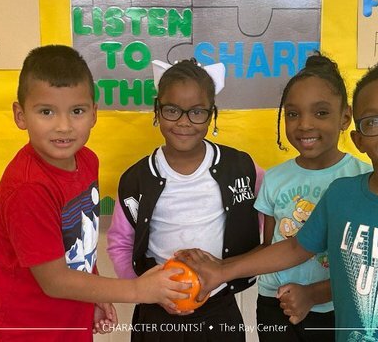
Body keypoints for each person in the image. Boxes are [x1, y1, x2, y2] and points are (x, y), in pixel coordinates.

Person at [179, 60, 378, 342]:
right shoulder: (342, 196)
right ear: (359, 139)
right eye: (374, 121)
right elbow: (293, 248)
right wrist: (222, 270)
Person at [0, 45, 188, 342]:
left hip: (69, 325)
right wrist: (138, 290)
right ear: (20, 115)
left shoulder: (87, 160)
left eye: (76, 111)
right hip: (24, 331)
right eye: (46, 111)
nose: (63, 126)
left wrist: (94, 290)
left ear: (93, 113)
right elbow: (54, 281)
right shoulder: (29, 188)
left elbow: (80, 235)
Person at [107, 59, 262, 342]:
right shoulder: (136, 179)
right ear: (157, 110)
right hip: (156, 313)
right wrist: (142, 289)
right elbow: (120, 242)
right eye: (172, 110)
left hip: (219, 310)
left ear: (212, 114)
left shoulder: (240, 167)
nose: (183, 122)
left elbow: (268, 213)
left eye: (197, 112)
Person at [252, 53, 371, 341]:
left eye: (320, 113)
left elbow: (366, 267)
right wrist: (216, 268)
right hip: (273, 303)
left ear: (345, 117)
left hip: (333, 307)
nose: (304, 124)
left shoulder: (363, 178)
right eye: (293, 114)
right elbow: (269, 246)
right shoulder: (275, 178)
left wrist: (314, 294)